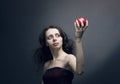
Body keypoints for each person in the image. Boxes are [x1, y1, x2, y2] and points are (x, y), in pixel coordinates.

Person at [34, 19, 88, 84]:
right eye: (50, 37)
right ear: (46, 43)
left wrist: (78, 39)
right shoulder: (47, 64)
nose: (54, 39)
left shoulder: (68, 58)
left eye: (57, 35)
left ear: (62, 39)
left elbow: (80, 71)